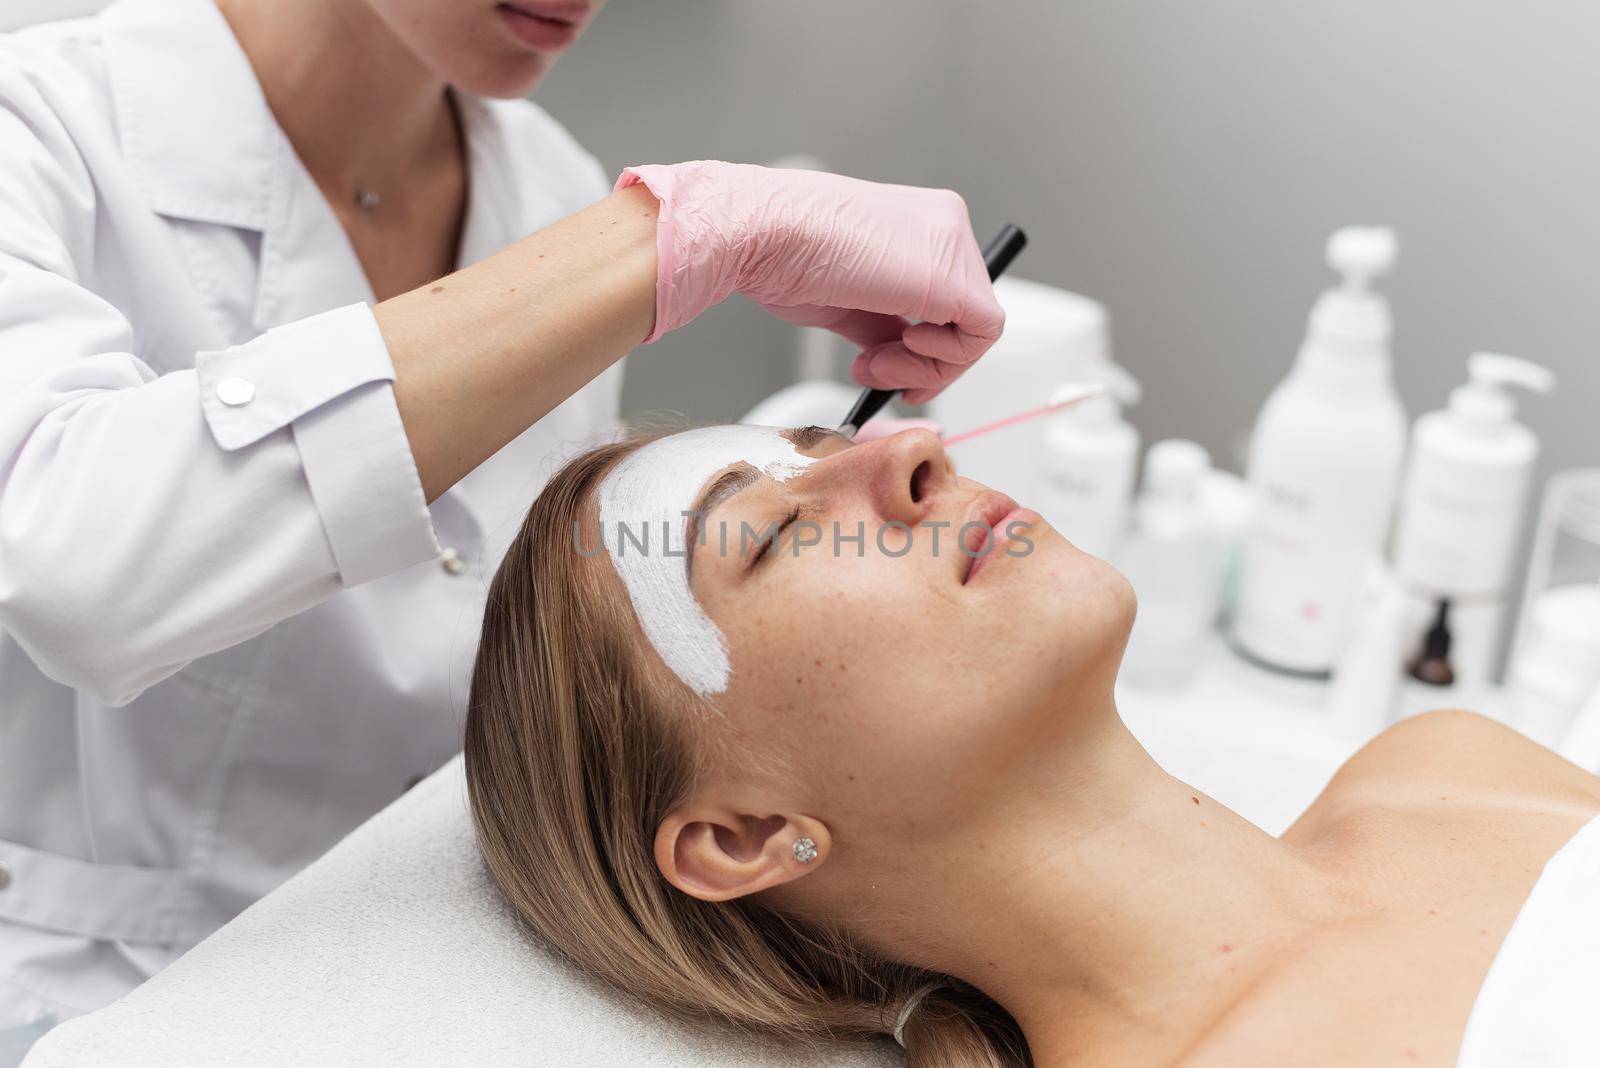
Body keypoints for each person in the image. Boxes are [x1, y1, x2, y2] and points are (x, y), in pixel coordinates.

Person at [0, 0, 1006, 1029]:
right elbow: (77, 567)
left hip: (435, 952)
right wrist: (692, 238)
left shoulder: (545, 187)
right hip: (102, 990)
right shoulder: (36, 129)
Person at [464, 424, 1600, 1067]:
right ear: (748, 833)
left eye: (837, 437)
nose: (911, 449)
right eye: (774, 533)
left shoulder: (1445, 767)